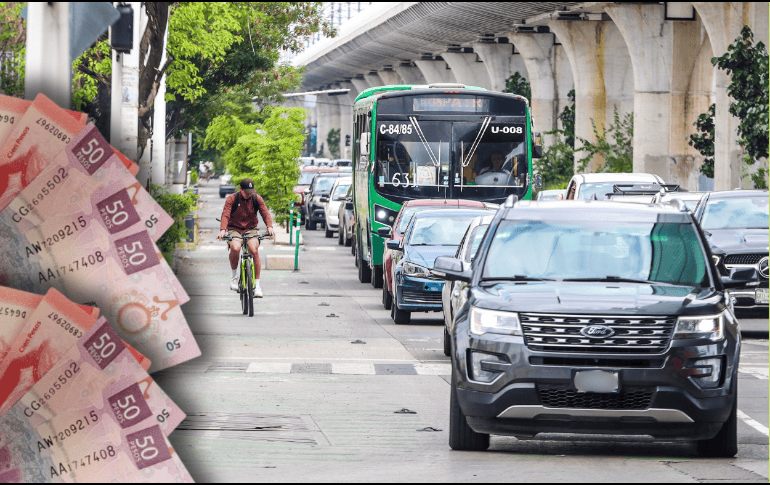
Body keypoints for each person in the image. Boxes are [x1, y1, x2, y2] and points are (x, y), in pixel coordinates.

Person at [216, 178, 275, 296]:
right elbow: (226, 214)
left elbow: (265, 213)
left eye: (250, 192)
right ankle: (234, 276)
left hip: (251, 229)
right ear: (240, 189)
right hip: (235, 229)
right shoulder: (232, 199)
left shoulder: (256, 199)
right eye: (246, 192)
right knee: (236, 247)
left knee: (254, 250)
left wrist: (270, 226)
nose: (248, 194)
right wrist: (223, 230)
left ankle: (257, 286)